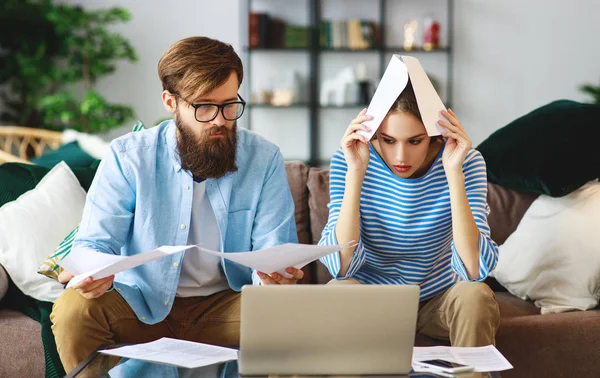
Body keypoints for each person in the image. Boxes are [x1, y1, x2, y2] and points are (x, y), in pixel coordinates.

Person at [51, 36, 303, 373]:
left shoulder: (264, 158)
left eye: (230, 105)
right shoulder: (128, 157)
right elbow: (94, 243)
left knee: (295, 315)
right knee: (73, 309)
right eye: (204, 107)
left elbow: (277, 249)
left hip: (227, 307)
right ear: (171, 103)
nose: (220, 120)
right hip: (143, 305)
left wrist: (274, 277)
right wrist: (95, 275)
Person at [319, 80, 500, 347]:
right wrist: (356, 173)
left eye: (415, 141)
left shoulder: (466, 162)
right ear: (374, 133)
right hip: (372, 302)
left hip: (437, 301)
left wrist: (453, 173)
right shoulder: (349, 160)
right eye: (388, 140)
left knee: (476, 295)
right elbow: (341, 267)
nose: (400, 156)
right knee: (337, 291)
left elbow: (474, 269)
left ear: (434, 134)